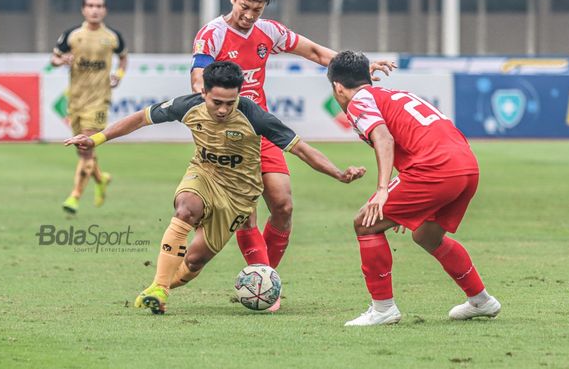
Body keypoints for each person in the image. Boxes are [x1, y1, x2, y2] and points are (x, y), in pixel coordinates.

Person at [65, 61, 366, 315]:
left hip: (238, 197)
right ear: (203, 92)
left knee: (194, 261)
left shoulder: (253, 115)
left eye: (229, 103)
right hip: (203, 175)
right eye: (216, 102)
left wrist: (338, 173)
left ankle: (165, 285)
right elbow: (140, 119)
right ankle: (158, 287)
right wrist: (97, 139)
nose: (222, 110)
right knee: (185, 208)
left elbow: (301, 149)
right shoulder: (188, 105)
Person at [189, 0, 394, 308]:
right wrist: (208, 101)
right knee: (247, 213)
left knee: (283, 205)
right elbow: (199, 76)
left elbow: (314, 52)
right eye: (245, 6)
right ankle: (264, 285)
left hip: (262, 128)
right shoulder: (211, 34)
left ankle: (263, 281)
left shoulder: (268, 31)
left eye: (257, 8)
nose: (250, 15)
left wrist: (360, 69)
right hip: (226, 135)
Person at [327, 51, 501, 326]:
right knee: (426, 236)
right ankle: (481, 300)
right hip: (466, 165)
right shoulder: (387, 94)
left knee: (365, 223)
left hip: (436, 168)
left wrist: (384, 189)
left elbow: (383, 138)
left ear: (337, 87)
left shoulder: (359, 101)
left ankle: (383, 309)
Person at [51, 0, 128, 215]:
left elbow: (123, 58)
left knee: (85, 148)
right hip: (75, 100)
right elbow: (54, 58)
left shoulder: (112, 37)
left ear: (104, 10)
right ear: (84, 9)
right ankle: (101, 178)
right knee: (82, 150)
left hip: (99, 100)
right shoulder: (72, 35)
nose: (95, 10)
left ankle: (74, 196)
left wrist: (119, 76)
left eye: (99, 6)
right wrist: (61, 60)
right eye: (91, 6)